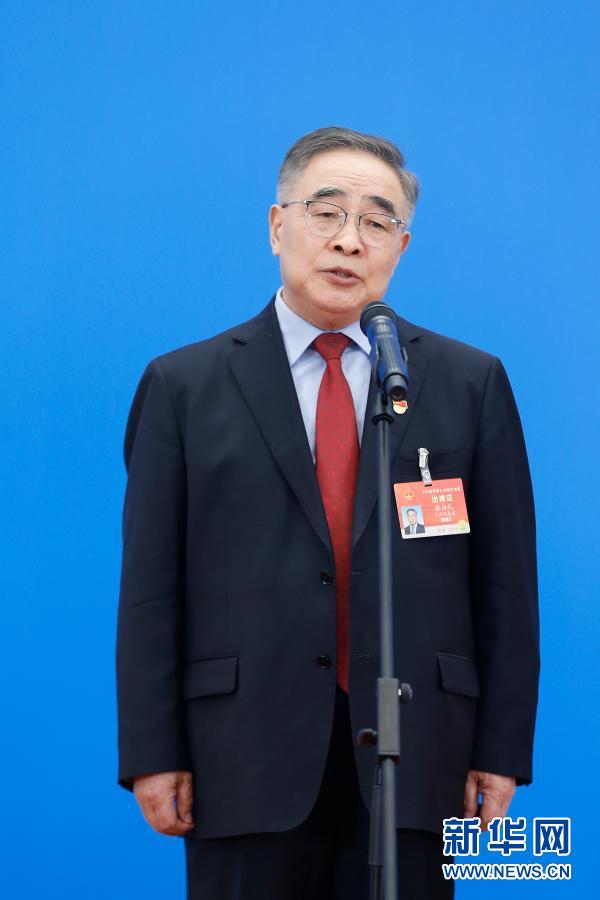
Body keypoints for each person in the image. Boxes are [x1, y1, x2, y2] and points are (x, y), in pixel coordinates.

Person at [116, 126, 540, 899]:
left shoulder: (468, 383)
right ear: (277, 224)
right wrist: (153, 750)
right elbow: (150, 588)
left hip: (422, 756)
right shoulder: (183, 387)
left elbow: (506, 584)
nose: (349, 240)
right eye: (326, 212)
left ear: (401, 247)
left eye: (377, 221)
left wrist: (501, 749)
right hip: (240, 753)